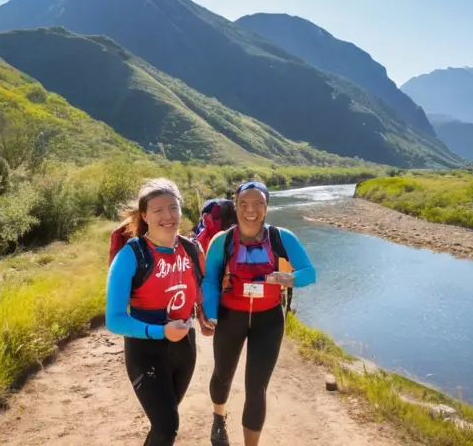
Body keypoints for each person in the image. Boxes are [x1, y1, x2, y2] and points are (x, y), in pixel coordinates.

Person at [197, 181, 317, 446]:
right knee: (222, 374)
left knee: (256, 387)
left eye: (258, 203)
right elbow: (210, 279)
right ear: (236, 206)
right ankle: (219, 418)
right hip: (230, 317)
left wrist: (290, 278)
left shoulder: (281, 238)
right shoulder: (223, 240)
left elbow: (310, 273)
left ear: (266, 207)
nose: (250, 210)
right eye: (244, 204)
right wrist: (211, 313)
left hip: (269, 321)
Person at [105, 178, 205, 446]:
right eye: (158, 210)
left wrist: (206, 314)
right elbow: (114, 319)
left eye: (173, 208)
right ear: (144, 216)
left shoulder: (192, 249)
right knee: (167, 426)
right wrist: (160, 331)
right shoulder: (131, 256)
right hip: (145, 350)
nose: (167, 216)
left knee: (165, 422)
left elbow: (199, 291)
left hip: (184, 348)